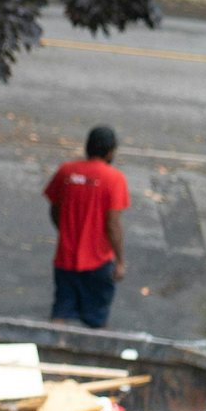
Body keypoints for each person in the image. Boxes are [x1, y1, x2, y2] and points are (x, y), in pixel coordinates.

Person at [43, 126, 129, 329]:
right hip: (98, 263)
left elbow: (54, 210)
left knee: (60, 312)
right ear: (110, 152)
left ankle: (51, 352)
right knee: (98, 320)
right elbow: (113, 225)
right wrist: (120, 261)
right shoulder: (114, 179)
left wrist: (66, 231)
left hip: (65, 259)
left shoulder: (66, 171)